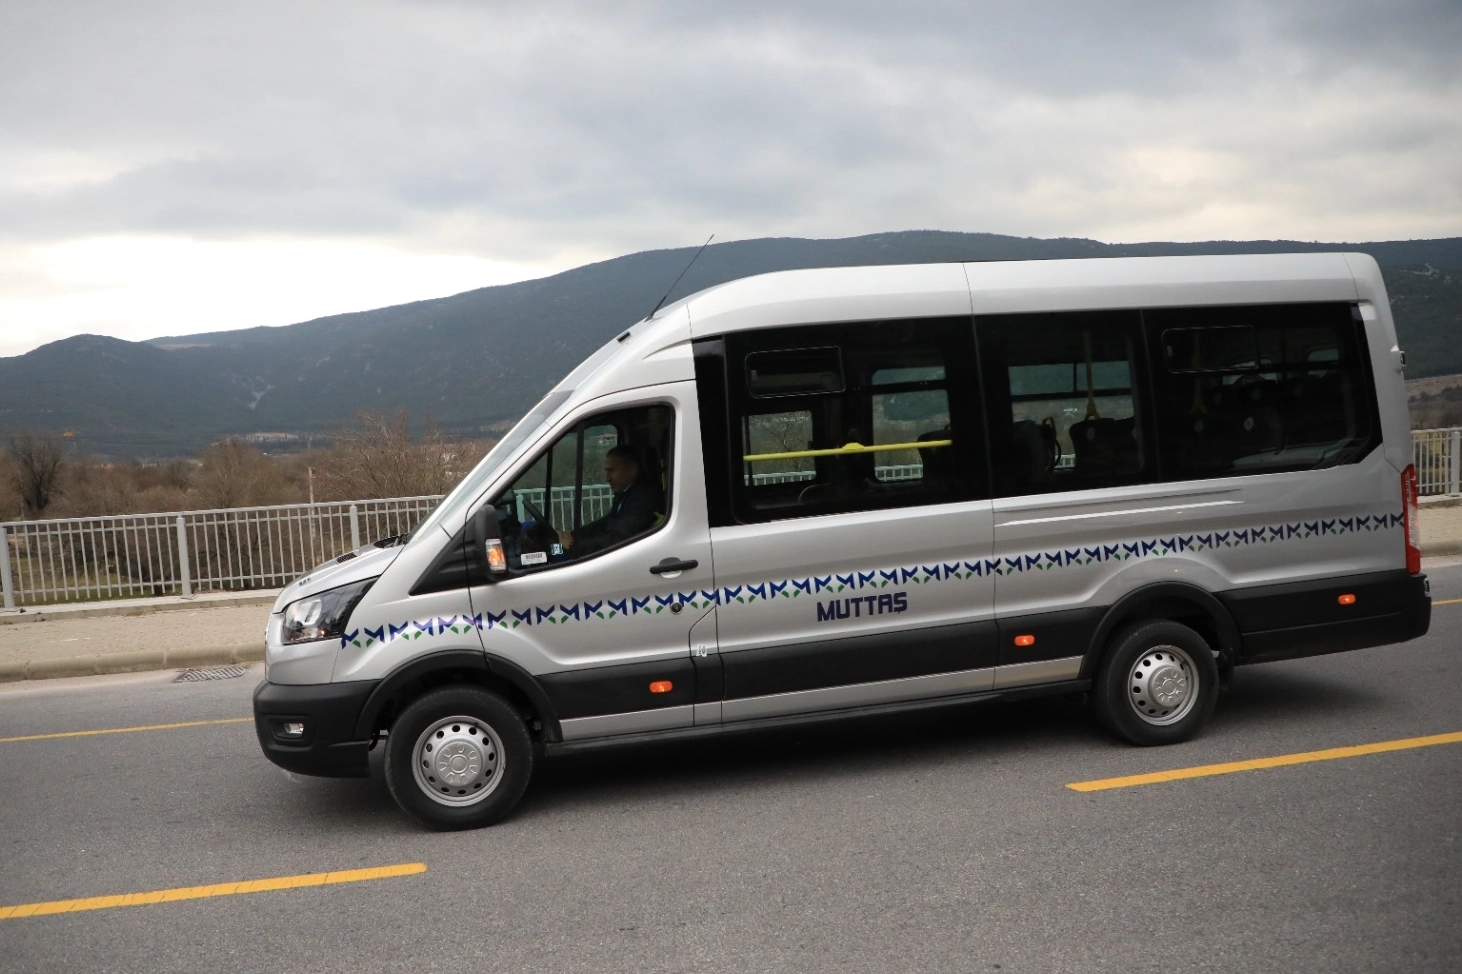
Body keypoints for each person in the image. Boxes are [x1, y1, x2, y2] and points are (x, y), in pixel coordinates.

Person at [557, 445, 660, 556]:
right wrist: (573, 535)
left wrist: (574, 546)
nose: (608, 478)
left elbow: (619, 540)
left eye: (612, 471)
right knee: (556, 552)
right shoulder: (627, 492)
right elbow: (606, 523)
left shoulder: (644, 498)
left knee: (558, 558)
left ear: (632, 469)